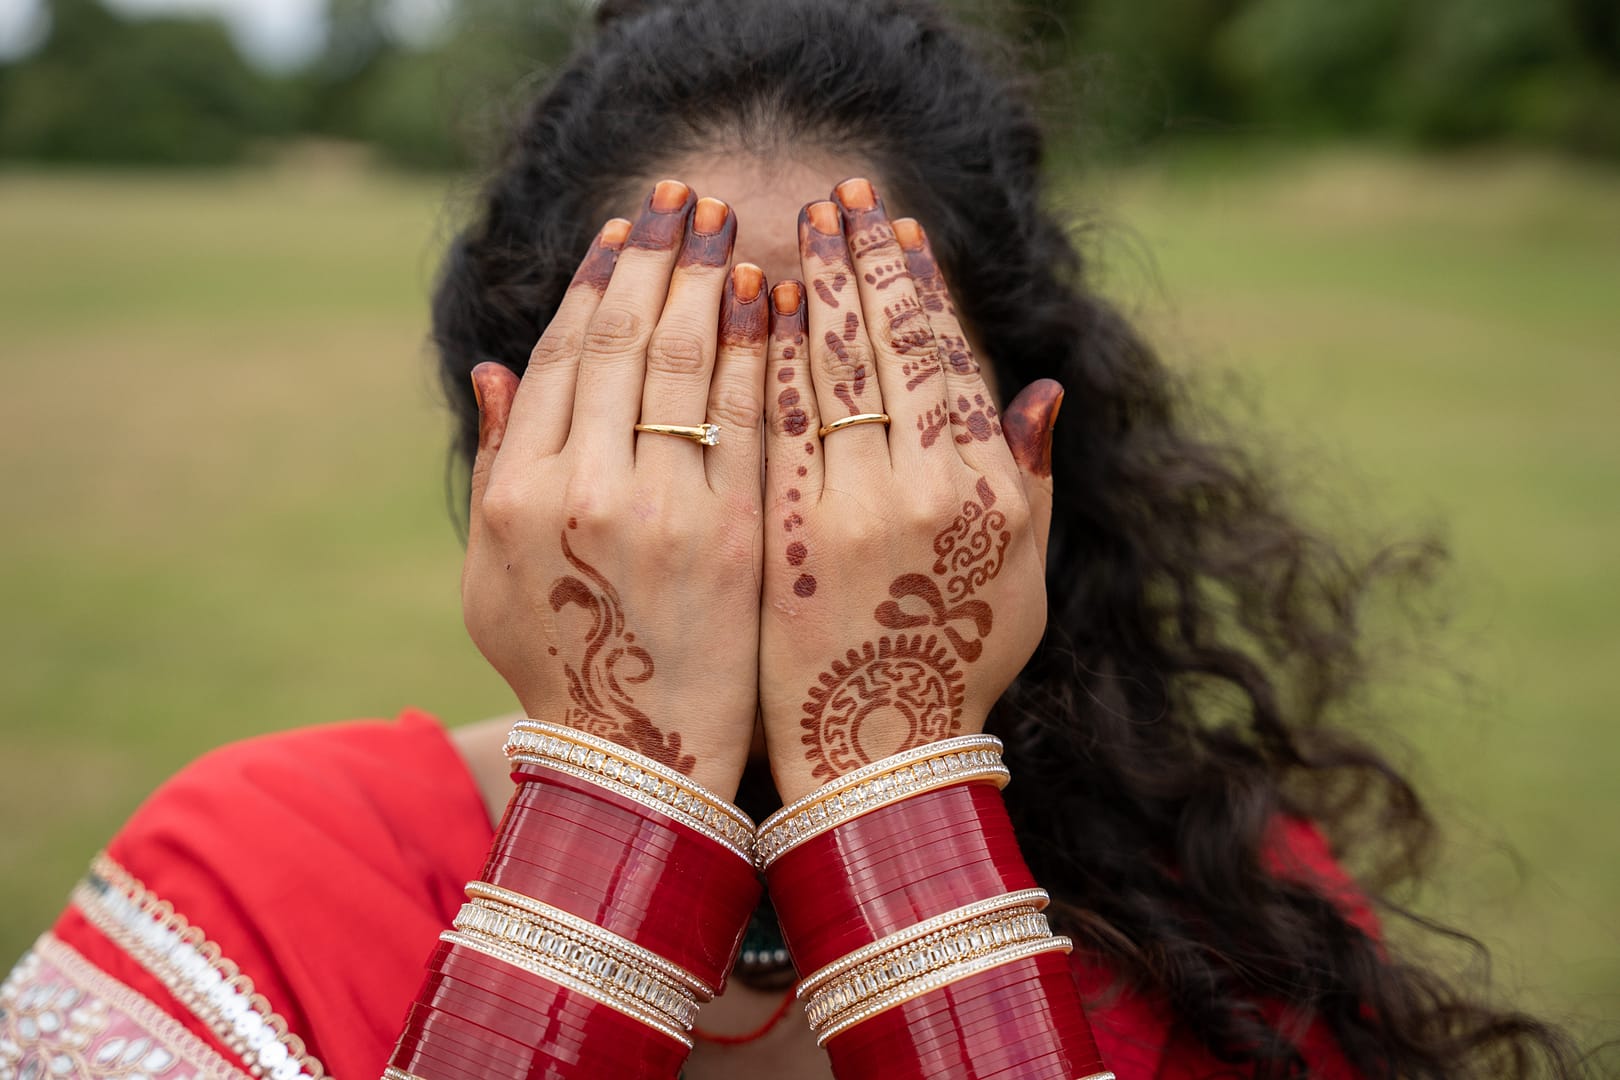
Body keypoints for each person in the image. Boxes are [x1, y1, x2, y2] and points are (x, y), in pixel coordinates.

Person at [0, 1, 1583, 1077]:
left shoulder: (1236, 932)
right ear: (514, 451)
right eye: (671, 417)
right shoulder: (260, 882)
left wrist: (886, 789)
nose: (740, 531)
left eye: (862, 412)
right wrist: (626, 790)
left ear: (1024, 455)